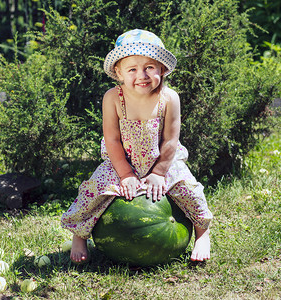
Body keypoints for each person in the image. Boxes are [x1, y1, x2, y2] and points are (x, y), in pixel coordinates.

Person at [61, 29, 213, 264]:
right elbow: (111, 140)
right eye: (132, 69)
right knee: (91, 192)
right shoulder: (112, 98)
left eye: (150, 67)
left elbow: (171, 139)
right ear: (119, 73)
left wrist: (160, 173)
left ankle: (202, 234)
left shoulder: (169, 98)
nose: (141, 75)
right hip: (123, 162)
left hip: (163, 160)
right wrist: (125, 174)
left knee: (191, 190)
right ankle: (79, 236)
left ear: (162, 69)